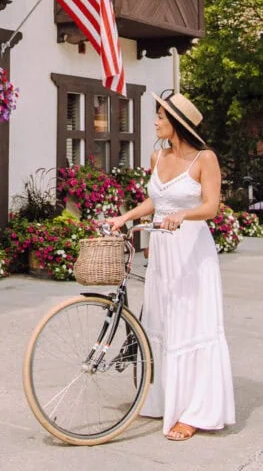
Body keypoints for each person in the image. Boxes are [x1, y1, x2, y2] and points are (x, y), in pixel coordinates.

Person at [108, 91, 235, 441]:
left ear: (176, 122)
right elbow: (157, 198)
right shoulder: (158, 156)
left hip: (192, 252)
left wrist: (183, 215)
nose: (155, 122)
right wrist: (125, 217)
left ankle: (195, 411)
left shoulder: (204, 159)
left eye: (161, 116)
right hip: (162, 252)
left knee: (191, 325)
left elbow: (211, 206)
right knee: (162, 323)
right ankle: (164, 398)